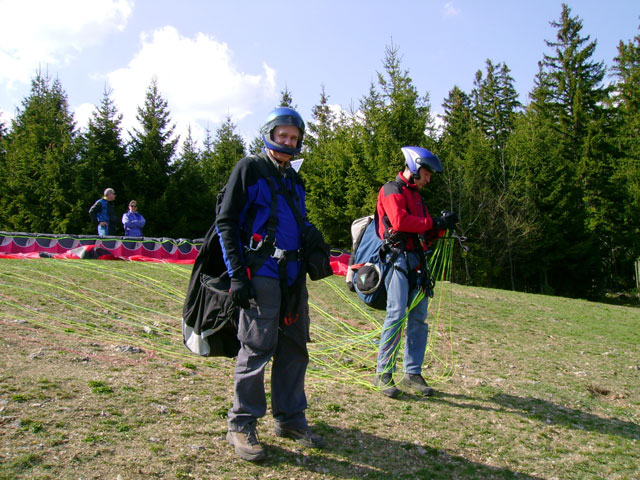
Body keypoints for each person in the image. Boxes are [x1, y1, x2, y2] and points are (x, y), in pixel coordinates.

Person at [216, 107, 326, 461]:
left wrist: (315, 241)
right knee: (257, 347)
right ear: (270, 134)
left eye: (295, 138)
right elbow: (227, 222)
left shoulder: (295, 180)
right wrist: (236, 275)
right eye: (284, 136)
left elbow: (298, 221)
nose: (289, 142)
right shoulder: (250, 169)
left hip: (292, 276)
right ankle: (241, 424)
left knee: (295, 348)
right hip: (260, 271)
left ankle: (290, 418)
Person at [373, 146, 457, 398]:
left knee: (418, 318)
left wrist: (442, 226)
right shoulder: (392, 189)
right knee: (396, 313)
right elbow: (400, 222)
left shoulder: (418, 197)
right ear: (413, 167)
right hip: (396, 259)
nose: (429, 179)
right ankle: (384, 373)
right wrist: (433, 223)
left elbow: (425, 230)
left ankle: (412, 373)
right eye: (427, 173)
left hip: (418, 262)